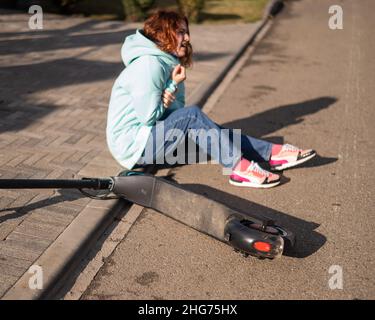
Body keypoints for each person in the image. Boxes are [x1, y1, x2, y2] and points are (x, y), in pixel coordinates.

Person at [106, 10, 316, 188]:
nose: (187, 38)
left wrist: (171, 89)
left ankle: (271, 154)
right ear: (162, 34)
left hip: (148, 139)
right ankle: (239, 169)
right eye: (181, 32)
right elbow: (148, 117)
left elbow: (173, 112)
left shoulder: (165, 63)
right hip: (134, 147)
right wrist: (171, 86)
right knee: (193, 116)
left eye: (186, 32)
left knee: (214, 132)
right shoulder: (149, 65)